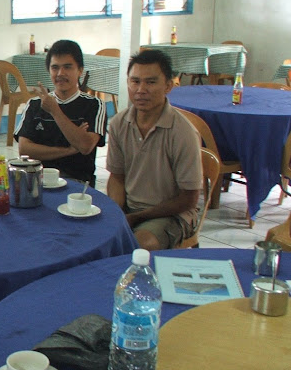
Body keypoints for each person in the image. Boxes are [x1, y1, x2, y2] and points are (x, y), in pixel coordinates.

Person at [106, 50, 203, 251]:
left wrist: (137, 217)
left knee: (137, 247)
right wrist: (117, 213)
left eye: (150, 82)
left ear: (168, 86)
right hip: (130, 209)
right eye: (135, 81)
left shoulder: (182, 132)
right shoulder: (118, 123)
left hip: (171, 214)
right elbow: (117, 177)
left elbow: (189, 198)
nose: (141, 90)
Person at [14, 40, 107, 186]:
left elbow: (84, 145)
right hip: (40, 182)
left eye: (68, 67)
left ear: (80, 70)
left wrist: (55, 110)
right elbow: (25, 151)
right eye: (55, 68)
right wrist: (70, 149)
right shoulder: (35, 105)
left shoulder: (94, 105)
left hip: (78, 183)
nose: (60, 74)